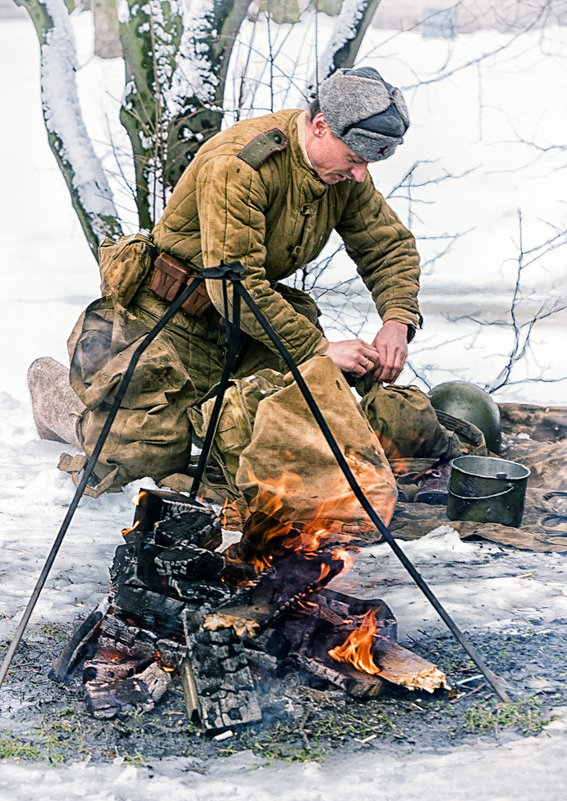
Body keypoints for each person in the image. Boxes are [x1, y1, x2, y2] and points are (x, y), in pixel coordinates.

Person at [29, 66, 474, 499]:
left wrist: (397, 319)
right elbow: (234, 289)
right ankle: (57, 390)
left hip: (247, 328)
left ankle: (196, 415)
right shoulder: (240, 164)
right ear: (320, 125)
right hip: (166, 322)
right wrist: (319, 351)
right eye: (355, 159)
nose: (360, 174)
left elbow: (387, 246)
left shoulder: (342, 172)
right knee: (141, 459)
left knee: (295, 439)